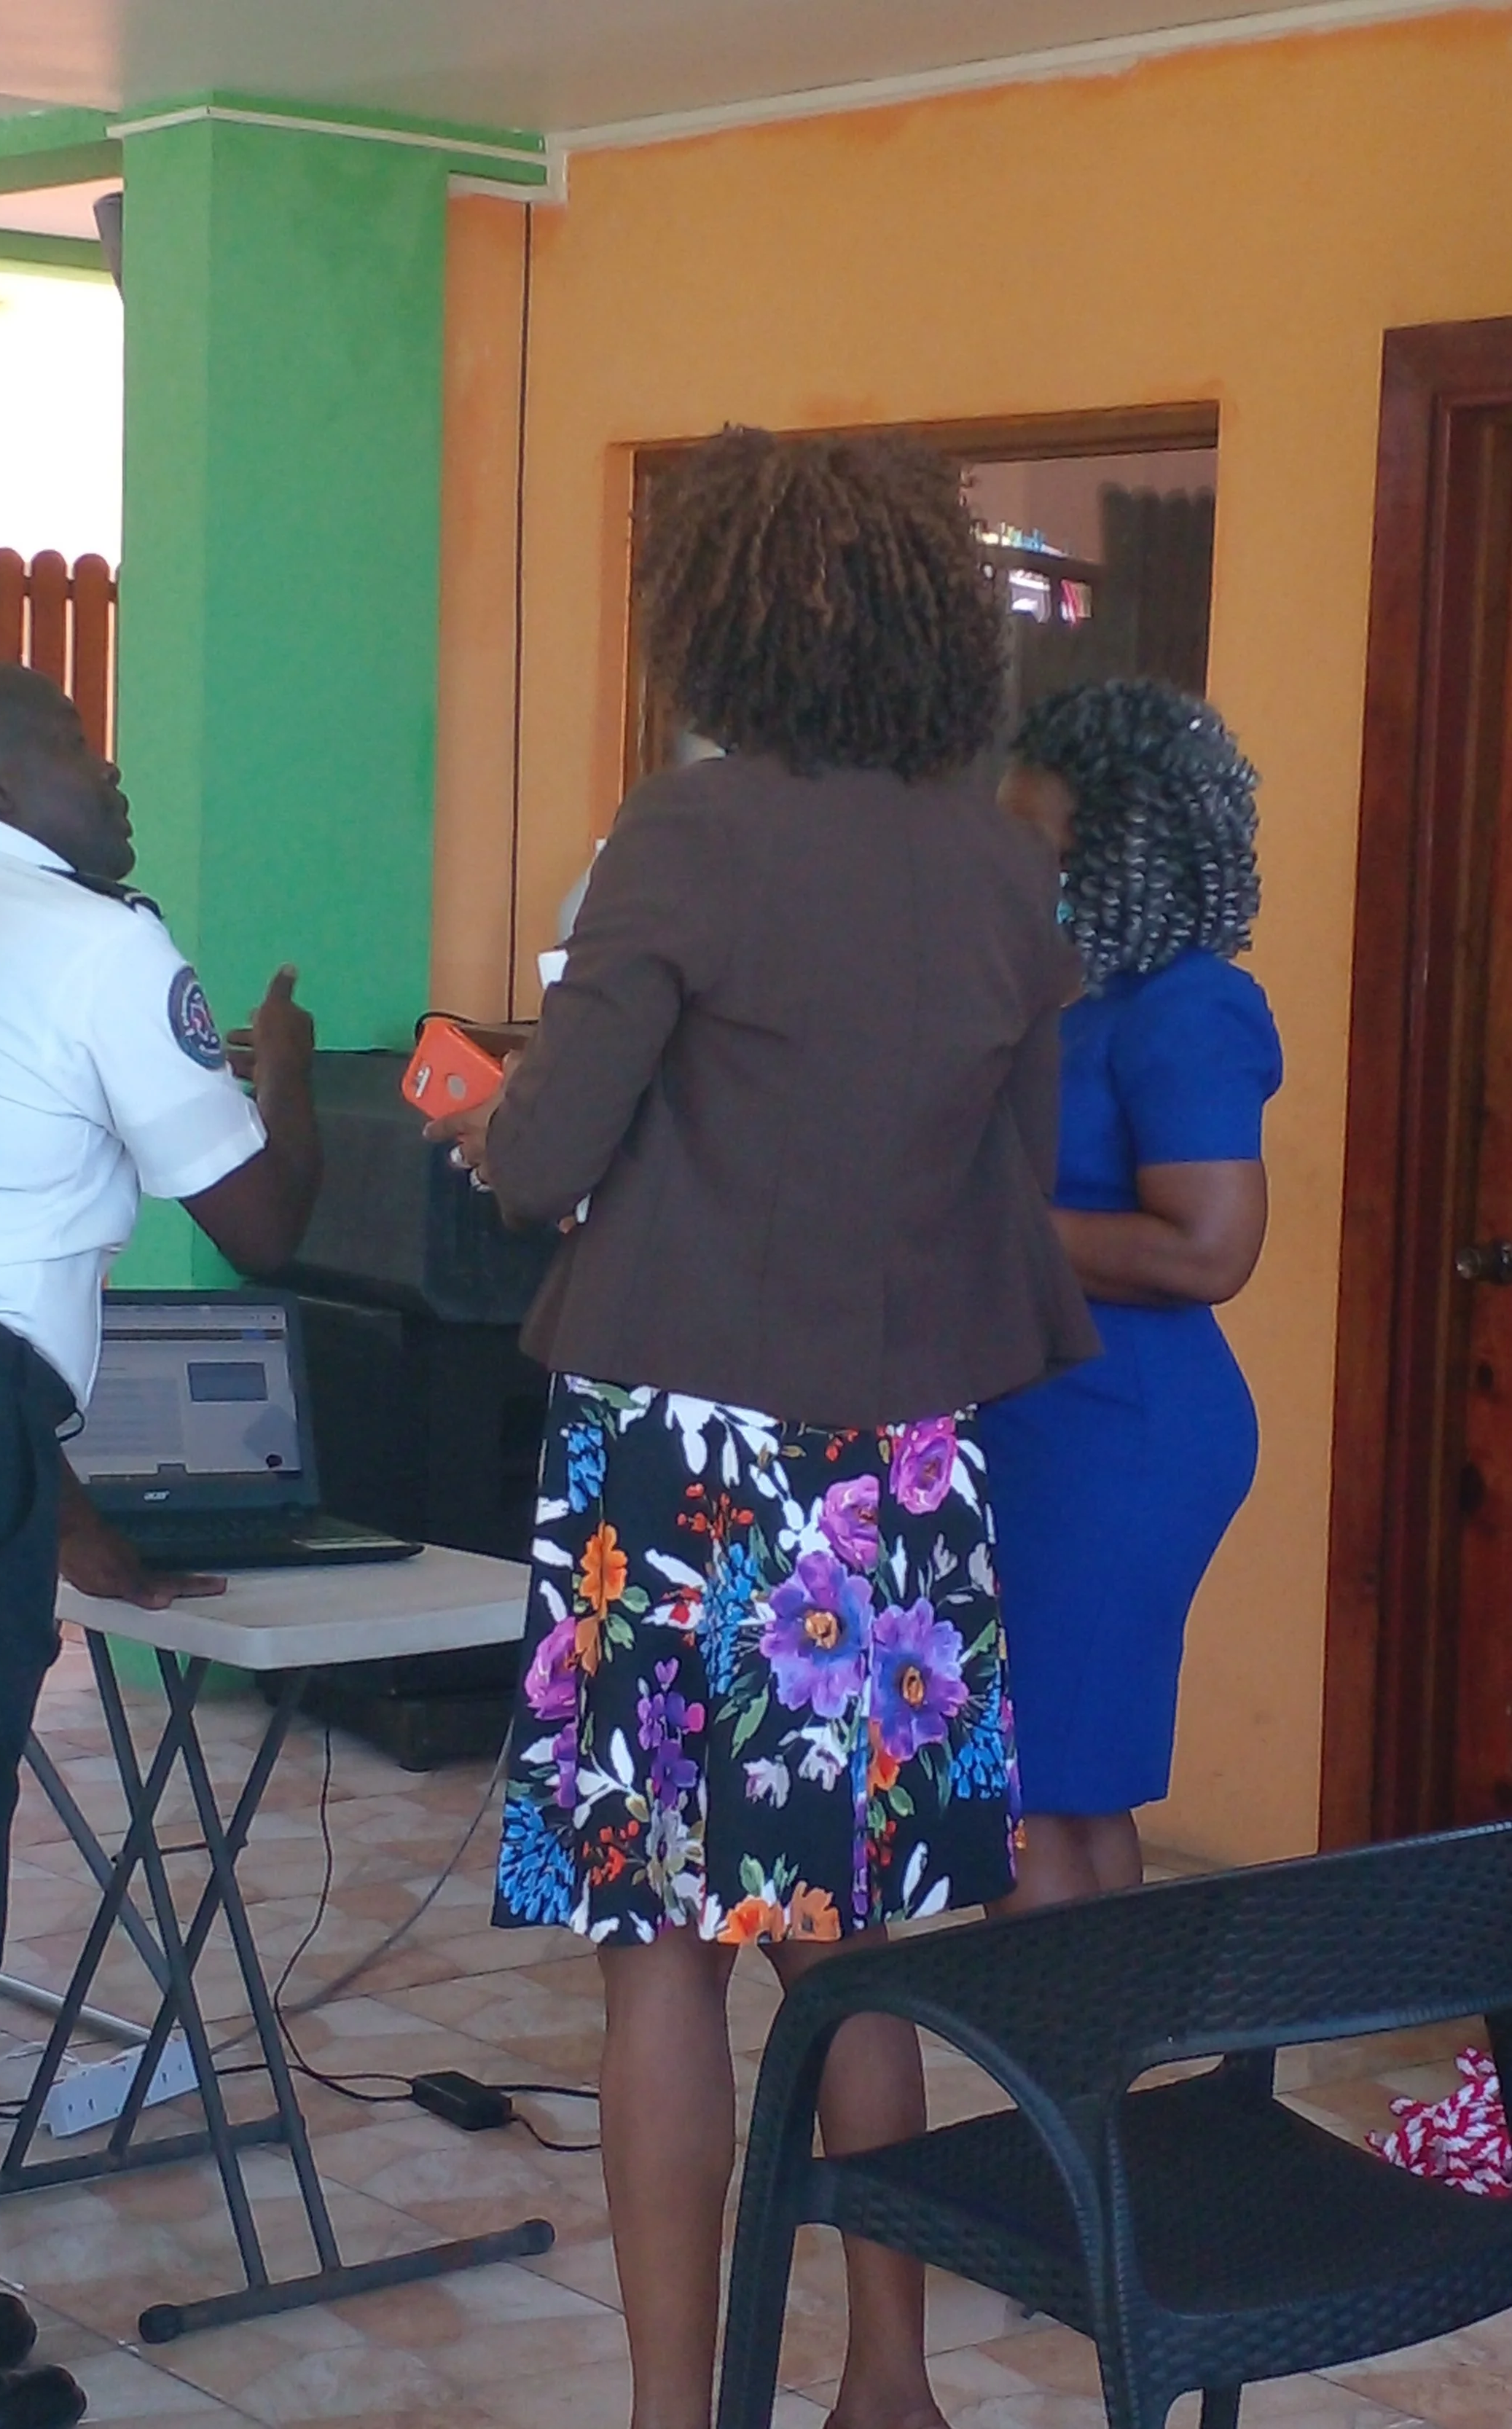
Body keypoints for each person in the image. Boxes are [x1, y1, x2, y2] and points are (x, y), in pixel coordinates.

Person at [428, 426, 1097, 2429]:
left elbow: (546, 1157)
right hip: (899, 1477)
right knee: (852, 1947)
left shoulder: (686, 833)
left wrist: (487, 1119)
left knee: (663, 1956)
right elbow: (1010, 1189)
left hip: (678, 1467)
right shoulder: (1001, 868)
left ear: (717, 621)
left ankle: (670, 2411)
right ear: (928, 630)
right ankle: (890, 2381)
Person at [0, 663, 321, 2429]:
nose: (116, 783)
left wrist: (69, 1514)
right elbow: (263, 1222)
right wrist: (281, 1073)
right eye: (82, 751)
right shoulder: (99, 942)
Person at [982, 679, 1282, 1912]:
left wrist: (979, 1222)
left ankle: (1049, 2037)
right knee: (1066, 1786)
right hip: (1051, 1420)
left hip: (1122, 1435)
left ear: (1120, 854)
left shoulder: (1189, 1004)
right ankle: (1105, 2037)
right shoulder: (1075, 1000)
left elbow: (1211, 1250)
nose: (1012, 869)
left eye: (1035, 844)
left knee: (1024, 1793)